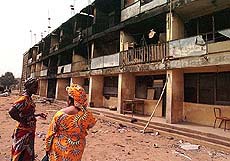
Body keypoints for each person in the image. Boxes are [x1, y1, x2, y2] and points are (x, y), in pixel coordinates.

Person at [45, 83, 96, 161]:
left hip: (59, 148)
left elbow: (51, 133)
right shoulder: (87, 115)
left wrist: (47, 148)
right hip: (77, 149)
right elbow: (91, 125)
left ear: (69, 99)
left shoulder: (60, 114)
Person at [9, 78, 47, 161]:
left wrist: (37, 115)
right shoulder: (24, 99)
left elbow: (26, 114)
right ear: (29, 87)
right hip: (23, 132)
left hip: (29, 131)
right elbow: (12, 111)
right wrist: (22, 121)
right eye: (35, 87)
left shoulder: (29, 98)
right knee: (20, 153)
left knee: (26, 153)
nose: (37, 89)